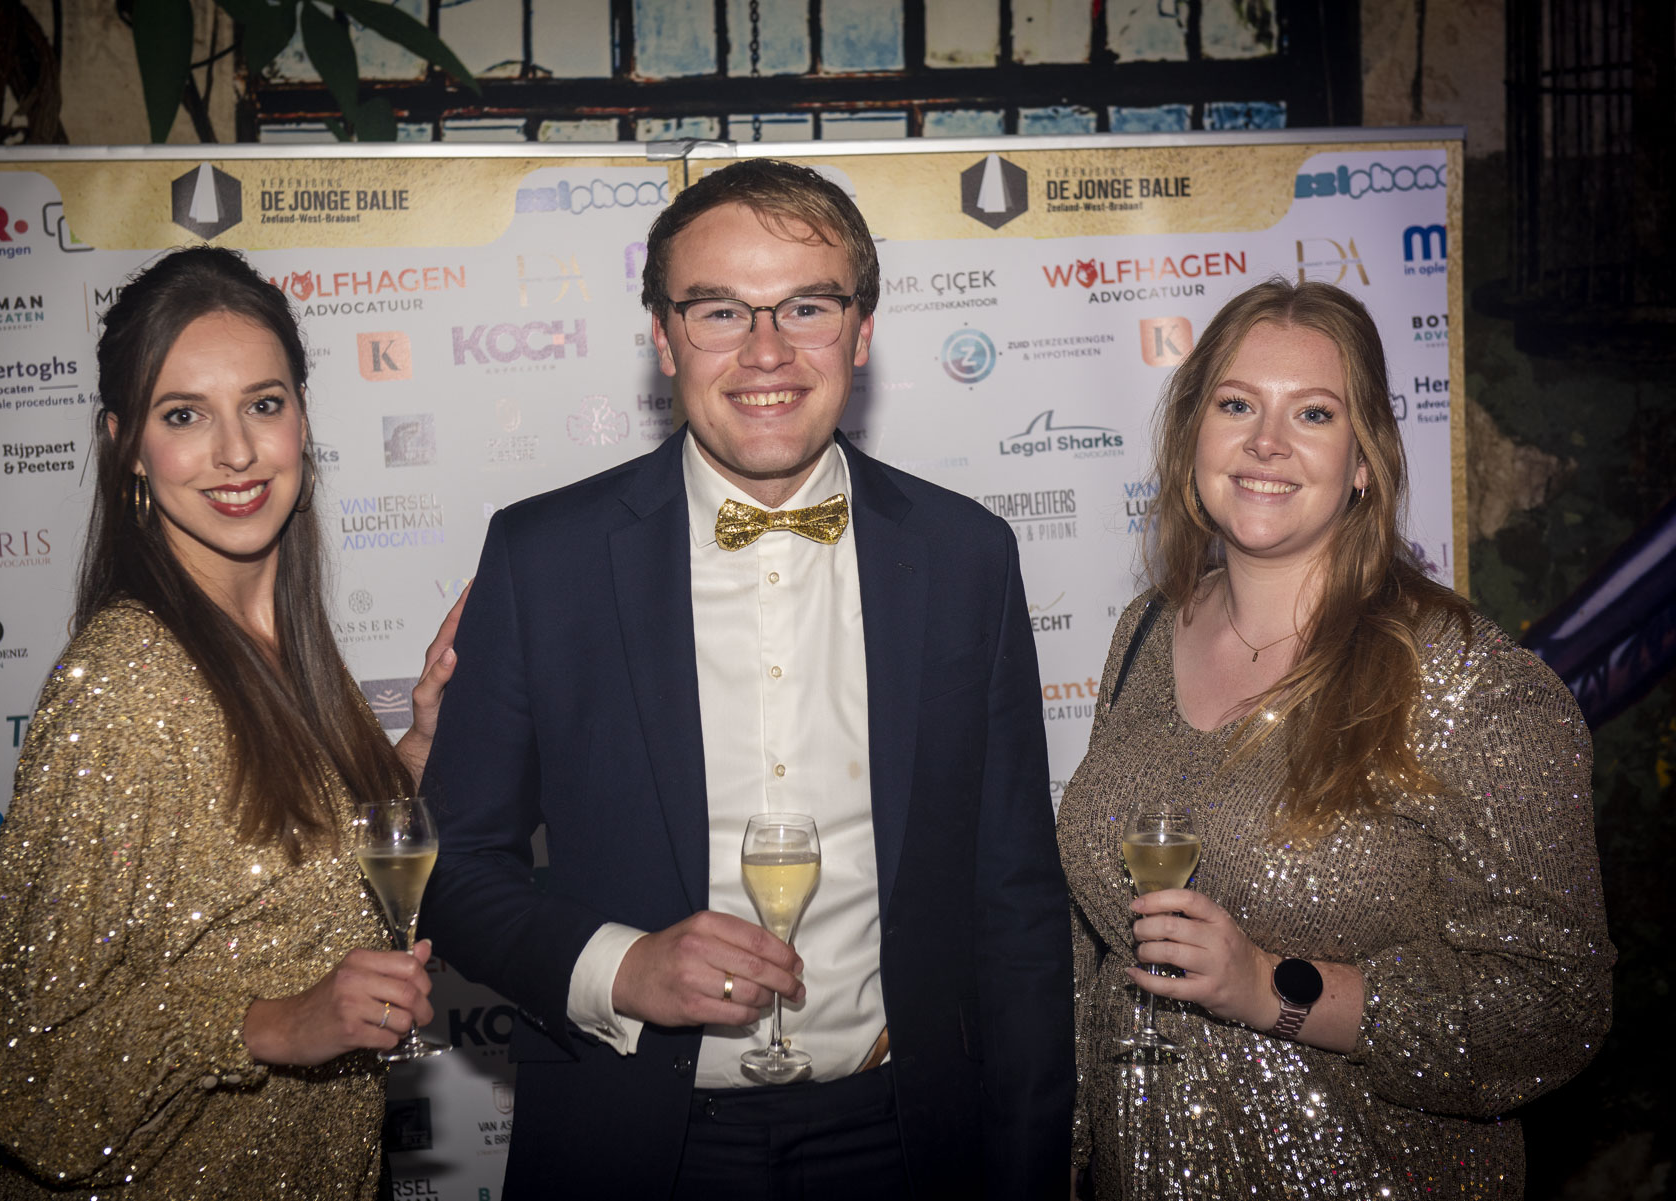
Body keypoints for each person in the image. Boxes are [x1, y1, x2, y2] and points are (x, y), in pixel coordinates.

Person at [420, 158, 1073, 1198]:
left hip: (907, 1140)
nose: (767, 352)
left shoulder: (968, 556)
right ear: (663, 336)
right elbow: (453, 869)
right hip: (631, 1145)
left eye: (806, 306)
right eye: (720, 310)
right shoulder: (545, 558)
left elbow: (1018, 906)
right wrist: (622, 967)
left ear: (861, 331)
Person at [1056, 278, 1614, 1198]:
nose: (1266, 442)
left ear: (1364, 460)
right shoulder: (1147, 630)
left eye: (1313, 413)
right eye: (1237, 404)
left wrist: (1272, 988)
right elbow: (1095, 950)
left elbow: (1555, 1003)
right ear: (1193, 435)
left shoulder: (1464, 680)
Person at [0, 246, 465, 1199]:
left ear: (302, 418)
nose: (236, 452)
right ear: (125, 444)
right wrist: (272, 1023)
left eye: (263, 404)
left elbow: (291, 866)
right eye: (184, 414)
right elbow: (17, 1057)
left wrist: (418, 745)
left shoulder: (285, 646)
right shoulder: (126, 684)